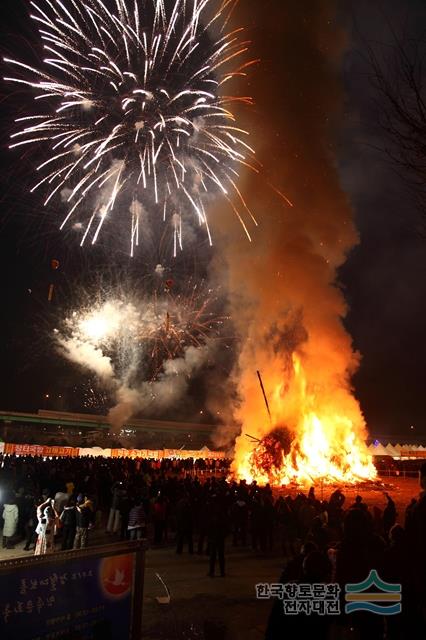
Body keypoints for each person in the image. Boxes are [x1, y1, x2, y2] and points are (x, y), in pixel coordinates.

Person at [206, 493, 228, 577]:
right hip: (219, 538)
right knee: (221, 555)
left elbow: (208, 525)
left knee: (213, 556)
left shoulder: (211, 513)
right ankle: (222, 572)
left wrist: (209, 535)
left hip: (214, 538)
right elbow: (226, 526)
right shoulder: (222, 513)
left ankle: (212, 572)